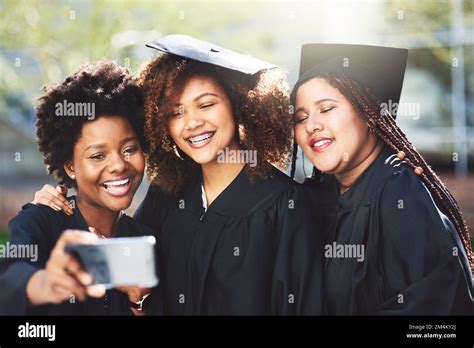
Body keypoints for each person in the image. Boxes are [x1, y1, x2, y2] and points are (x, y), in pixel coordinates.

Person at [31, 35, 324, 315]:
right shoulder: (168, 196)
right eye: (176, 112)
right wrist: (59, 204)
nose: (192, 123)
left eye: (206, 104)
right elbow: (130, 276)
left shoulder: (286, 206)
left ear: (238, 105)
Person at [292, 43, 474, 314]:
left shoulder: (400, 193)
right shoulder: (320, 196)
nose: (311, 125)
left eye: (327, 108)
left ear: (368, 114)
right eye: (300, 116)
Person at [0, 61, 151, 315]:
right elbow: (10, 276)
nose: (118, 165)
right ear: (70, 167)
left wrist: (139, 300)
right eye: (97, 156)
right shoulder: (39, 221)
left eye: (129, 149)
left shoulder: (144, 239)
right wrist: (46, 283)